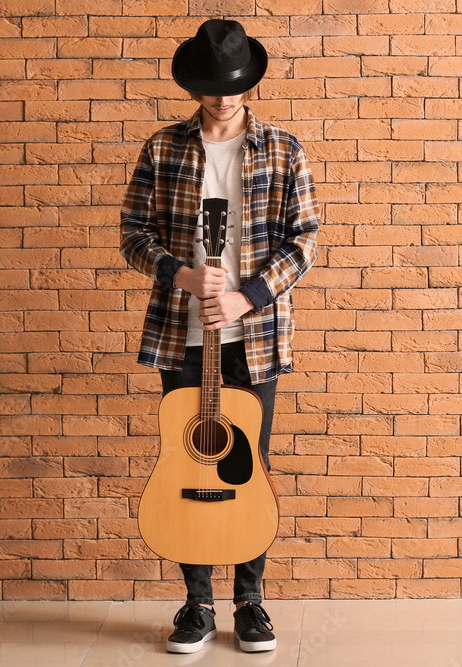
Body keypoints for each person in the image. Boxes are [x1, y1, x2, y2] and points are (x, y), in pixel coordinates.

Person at [119, 18, 320, 654]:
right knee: (189, 458)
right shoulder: (163, 149)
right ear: (194, 86)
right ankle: (197, 603)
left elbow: (305, 240)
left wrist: (245, 296)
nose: (224, 98)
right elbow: (134, 234)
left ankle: (251, 602)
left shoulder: (283, 150)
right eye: (211, 88)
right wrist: (181, 273)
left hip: (254, 335)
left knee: (248, 466)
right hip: (182, 338)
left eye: (233, 86)